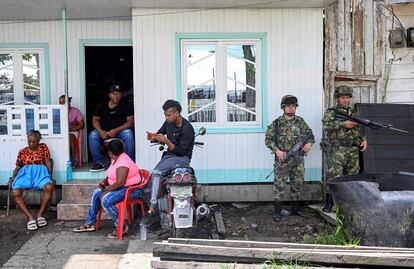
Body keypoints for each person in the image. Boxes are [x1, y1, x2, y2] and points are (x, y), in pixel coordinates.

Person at [73, 140, 143, 238]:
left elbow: (120, 182)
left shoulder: (123, 162)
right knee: (96, 194)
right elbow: (113, 175)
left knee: (106, 200)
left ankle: (121, 226)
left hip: (132, 190)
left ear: (109, 152)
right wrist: (105, 181)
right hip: (121, 187)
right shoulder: (115, 158)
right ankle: (90, 223)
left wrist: (106, 191)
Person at [143, 99, 195, 224]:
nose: (166, 117)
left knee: (156, 173)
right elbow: (160, 134)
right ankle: (160, 204)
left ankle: (152, 207)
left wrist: (166, 141)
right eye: (165, 115)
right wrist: (153, 137)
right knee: (157, 174)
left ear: (176, 113)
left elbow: (181, 152)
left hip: (182, 159)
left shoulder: (187, 129)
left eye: (168, 115)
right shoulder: (168, 123)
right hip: (169, 157)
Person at [265, 95, 315, 222]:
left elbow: (310, 135)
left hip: (297, 160)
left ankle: (295, 209)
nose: (291, 108)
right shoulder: (276, 123)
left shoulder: (300, 122)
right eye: (288, 106)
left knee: (297, 184)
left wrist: (309, 143)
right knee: (279, 186)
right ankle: (277, 211)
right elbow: (268, 140)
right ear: (283, 108)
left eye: (293, 106)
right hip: (283, 160)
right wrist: (277, 151)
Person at [321, 86, 368, 213]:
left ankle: (348, 204)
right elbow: (326, 124)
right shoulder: (331, 112)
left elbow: (359, 129)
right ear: (337, 98)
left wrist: (363, 139)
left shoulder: (353, 113)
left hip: (353, 150)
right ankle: (329, 203)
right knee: (334, 176)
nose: (346, 100)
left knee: (352, 177)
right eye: (343, 98)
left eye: (348, 98)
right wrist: (343, 124)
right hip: (338, 150)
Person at [7, 130, 54, 231]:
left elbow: (48, 162)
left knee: (49, 187)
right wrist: (12, 178)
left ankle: (40, 215)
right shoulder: (22, 152)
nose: (31, 144)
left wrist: (50, 176)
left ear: (38, 141)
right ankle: (30, 218)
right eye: (29, 141)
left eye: (34, 142)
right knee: (15, 192)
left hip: (40, 173)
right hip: (26, 175)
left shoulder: (43, 147)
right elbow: (18, 167)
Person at [89, 84, 135, 172]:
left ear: (121, 94)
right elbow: (95, 119)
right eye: (113, 94)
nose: (116, 96)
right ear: (109, 95)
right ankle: (99, 163)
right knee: (93, 135)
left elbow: (130, 122)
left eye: (118, 93)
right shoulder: (102, 104)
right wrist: (100, 131)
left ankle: (128, 161)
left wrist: (116, 130)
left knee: (128, 134)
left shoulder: (126, 104)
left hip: (120, 131)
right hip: (104, 132)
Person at [59, 95, 84, 167]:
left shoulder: (76, 111)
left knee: (69, 137)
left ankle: (73, 159)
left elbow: (82, 125)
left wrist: (70, 129)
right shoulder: (58, 111)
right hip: (61, 131)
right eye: (60, 103)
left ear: (69, 102)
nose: (62, 104)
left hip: (72, 130)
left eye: (64, 102)